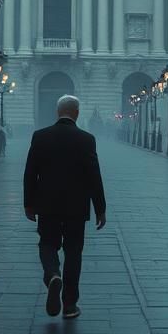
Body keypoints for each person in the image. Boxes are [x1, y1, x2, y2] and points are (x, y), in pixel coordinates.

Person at [24, 94, 107, 320]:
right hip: (76, 207)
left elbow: (30, 173)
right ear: (77, 112)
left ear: (57, 112)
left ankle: (52, 274)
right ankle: (70, 305)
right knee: (73, 252)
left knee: (47, 244)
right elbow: (94, 176)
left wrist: (29, 204)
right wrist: (100, 208)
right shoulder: (86, 139)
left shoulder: (40, 137)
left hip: (47, 204)